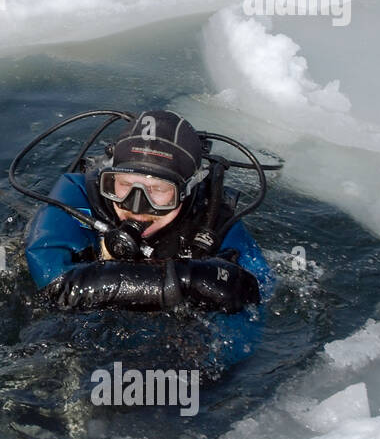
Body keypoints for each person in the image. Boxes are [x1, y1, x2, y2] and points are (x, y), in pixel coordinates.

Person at [23, 110, 273, 316]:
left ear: (188, 190)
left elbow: (258, 291)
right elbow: (54, 286)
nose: (135, 206)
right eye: (124, 185)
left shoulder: (213, 218)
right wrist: (187, 279)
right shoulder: (78, 195)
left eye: (157, 189)